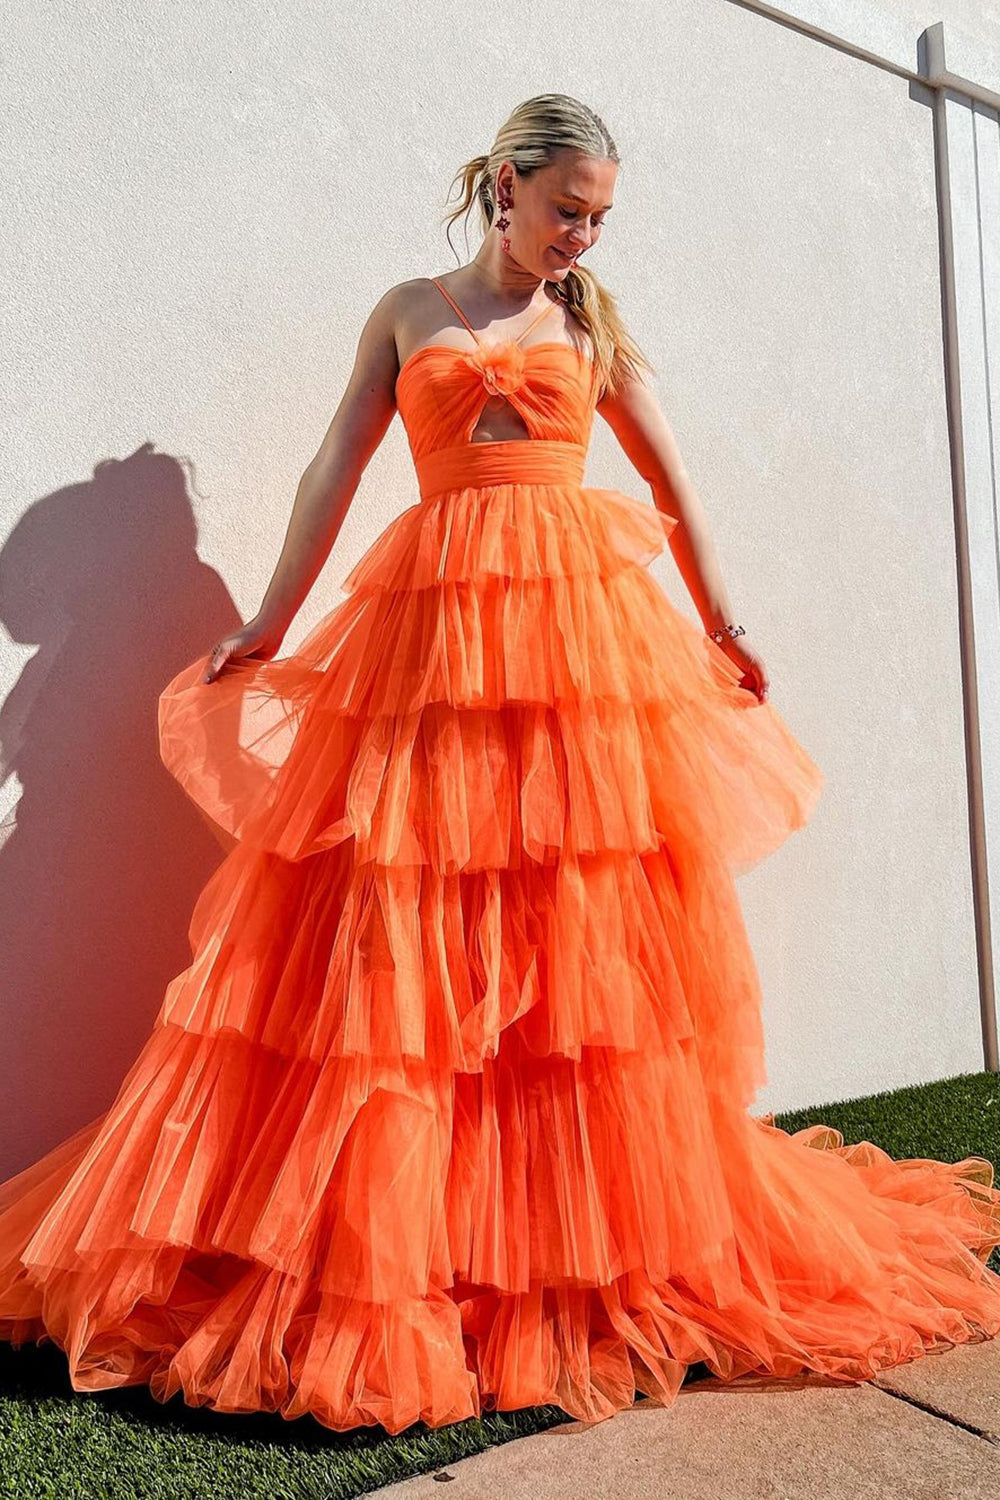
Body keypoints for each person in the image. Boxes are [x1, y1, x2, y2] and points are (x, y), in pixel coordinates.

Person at [2, 92, 1000, 1438]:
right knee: (400, 933)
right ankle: (412, 1255)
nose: (581, 236)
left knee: (565, 941)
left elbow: (671, 476)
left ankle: (560, 1260)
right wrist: (269, 624)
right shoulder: (410, 310)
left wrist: (723, 620)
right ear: (507, 187)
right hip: (426, 640)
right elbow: (330, 474)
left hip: (571, 652)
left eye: (599, 217)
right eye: (566, 209)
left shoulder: (588, 323)